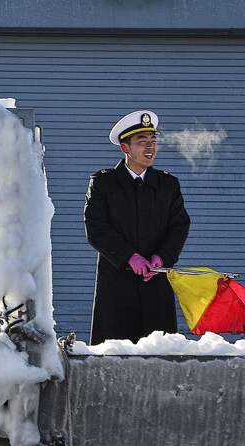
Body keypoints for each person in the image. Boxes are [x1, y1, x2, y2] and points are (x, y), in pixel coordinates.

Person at [84, 110, 191, 345]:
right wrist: (129, 257)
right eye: (142, 143)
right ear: (125, 148)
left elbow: (179, 225)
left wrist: (162, 258)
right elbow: (96, 227)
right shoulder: (104, 184)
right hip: (116, 284)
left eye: (153, 141)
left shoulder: (167, 185)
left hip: (156, 283)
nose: (150, 148)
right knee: (113, 353)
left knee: (159, 353)